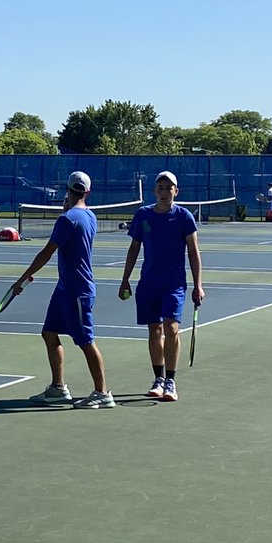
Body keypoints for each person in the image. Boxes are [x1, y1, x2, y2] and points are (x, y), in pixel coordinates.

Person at [17, 170, 113, 409]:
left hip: (77, 290)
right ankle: (58, 388)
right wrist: (67, 209)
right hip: (65, 288)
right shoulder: (89, 216)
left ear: (67, 189)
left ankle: (102, 393)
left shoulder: (67, 220)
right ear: (87, 192)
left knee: (85, 341)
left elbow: (46, 253)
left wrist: (22, 279)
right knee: (49, 333)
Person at [118, 170, 204, 403]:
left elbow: (193, 253)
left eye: (169, 188)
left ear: (176, 191)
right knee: (154, 330)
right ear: (155, 191)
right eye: (160, 188)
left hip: (174, 284)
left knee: (171, 328)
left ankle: (171, 381)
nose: (164, 192)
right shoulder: (143, 215)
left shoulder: (184, 217)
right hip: (148, 284)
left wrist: (198, 285)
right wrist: (125, 279)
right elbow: (134, 248)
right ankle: (158, 379)